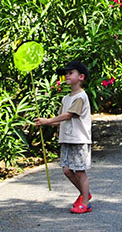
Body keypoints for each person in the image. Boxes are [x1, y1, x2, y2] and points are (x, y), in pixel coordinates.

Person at [35, 60, 93, 214]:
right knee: (67, 170)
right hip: (67, 138)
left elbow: (69, 115)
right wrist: (45, 123)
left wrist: (48, 120)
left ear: (81, 77)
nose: (67, 76)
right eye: (66, 73)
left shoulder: (81, 96)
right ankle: (85, 193)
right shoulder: (66, 98)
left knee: (80, 171)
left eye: (70, 73)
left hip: (79, 139)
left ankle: (85, 202)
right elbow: (61, 119)